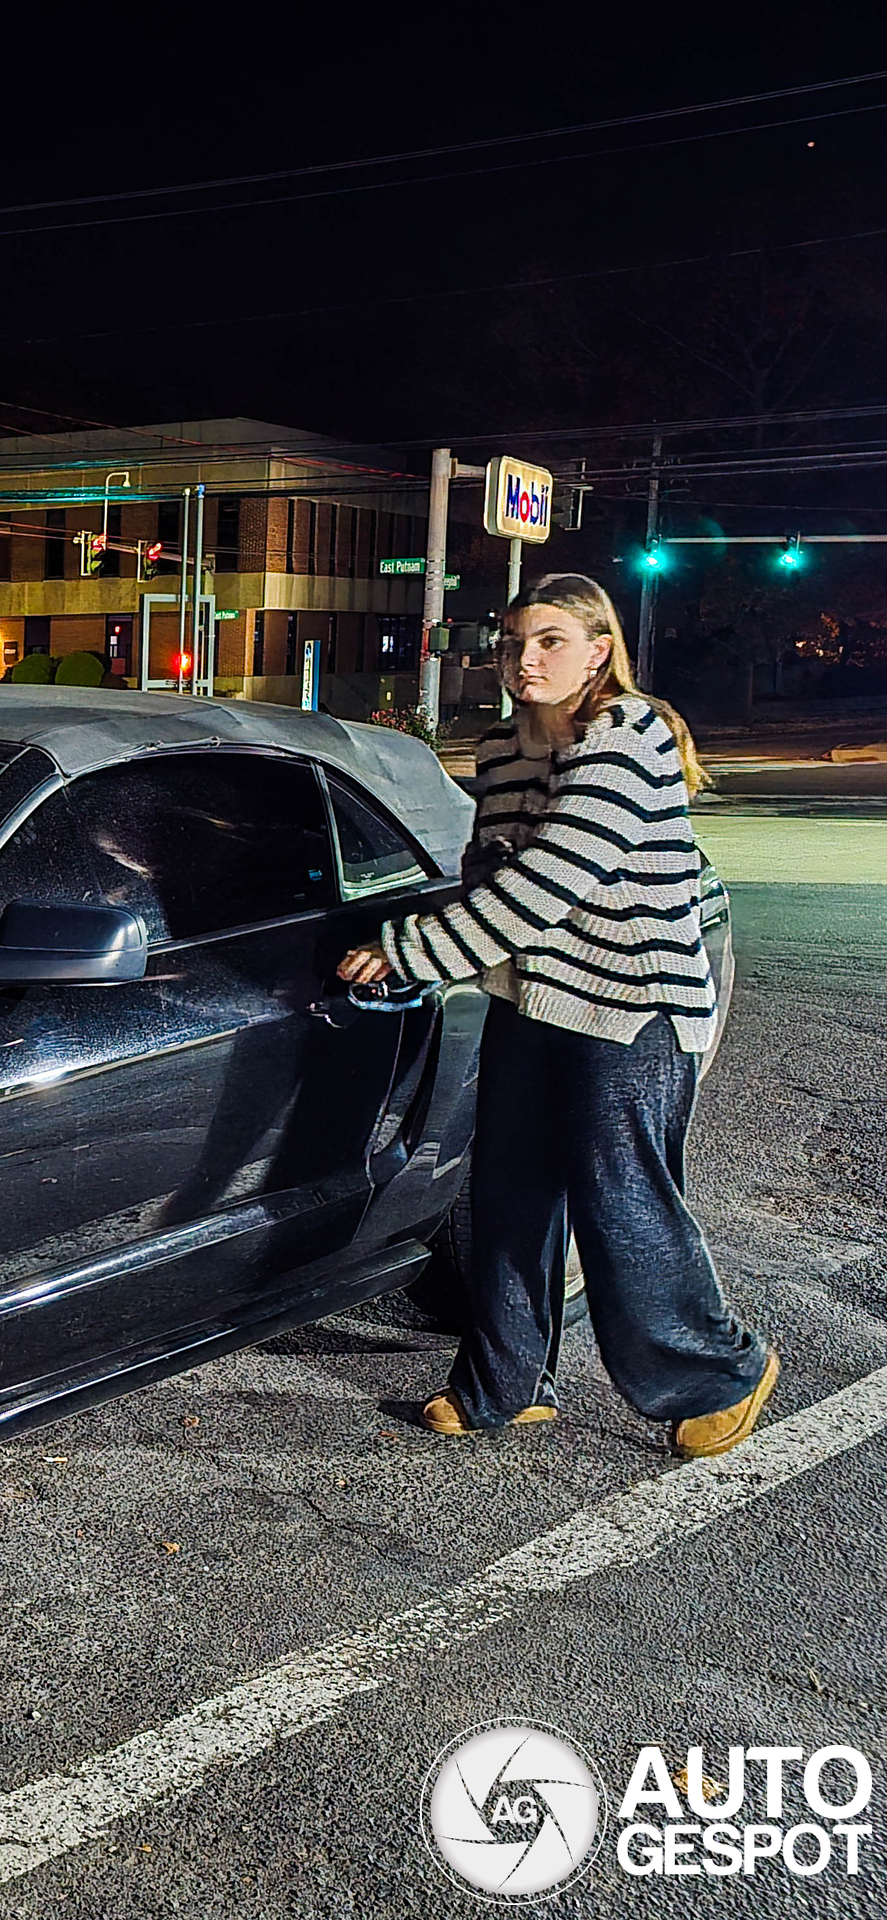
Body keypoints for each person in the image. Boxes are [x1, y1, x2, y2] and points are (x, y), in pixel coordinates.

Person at [338, 573, 775, 1458]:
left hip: (630, 1008)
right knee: (507, 1191)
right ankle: (504, 1384)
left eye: (548, 642)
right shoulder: (501, 749)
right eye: (512, 642)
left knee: (621, 1202)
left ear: (599, 650)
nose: (524, 660)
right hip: (534, 1001)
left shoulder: (626, 740)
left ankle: (718, 1370)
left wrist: (412, 952)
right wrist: (432, 942)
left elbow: (546, 886)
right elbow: (491, 880)